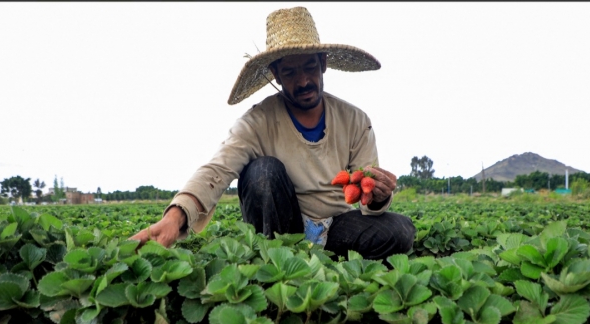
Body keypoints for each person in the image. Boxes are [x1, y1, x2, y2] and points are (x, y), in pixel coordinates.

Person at [130, 6, 415, 261]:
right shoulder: (258, 121)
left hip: (337, 229)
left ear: (323, 63)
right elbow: (217, 169)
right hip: (281, 226)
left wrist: (377, 197)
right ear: (275, 75)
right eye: (290, 72)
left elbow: (366, 198)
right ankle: (278, 262)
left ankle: (324, 259)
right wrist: (176, 216)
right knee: (261, 172)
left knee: (400, 230)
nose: (303, 81)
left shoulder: (355, 121)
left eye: (309, 67)